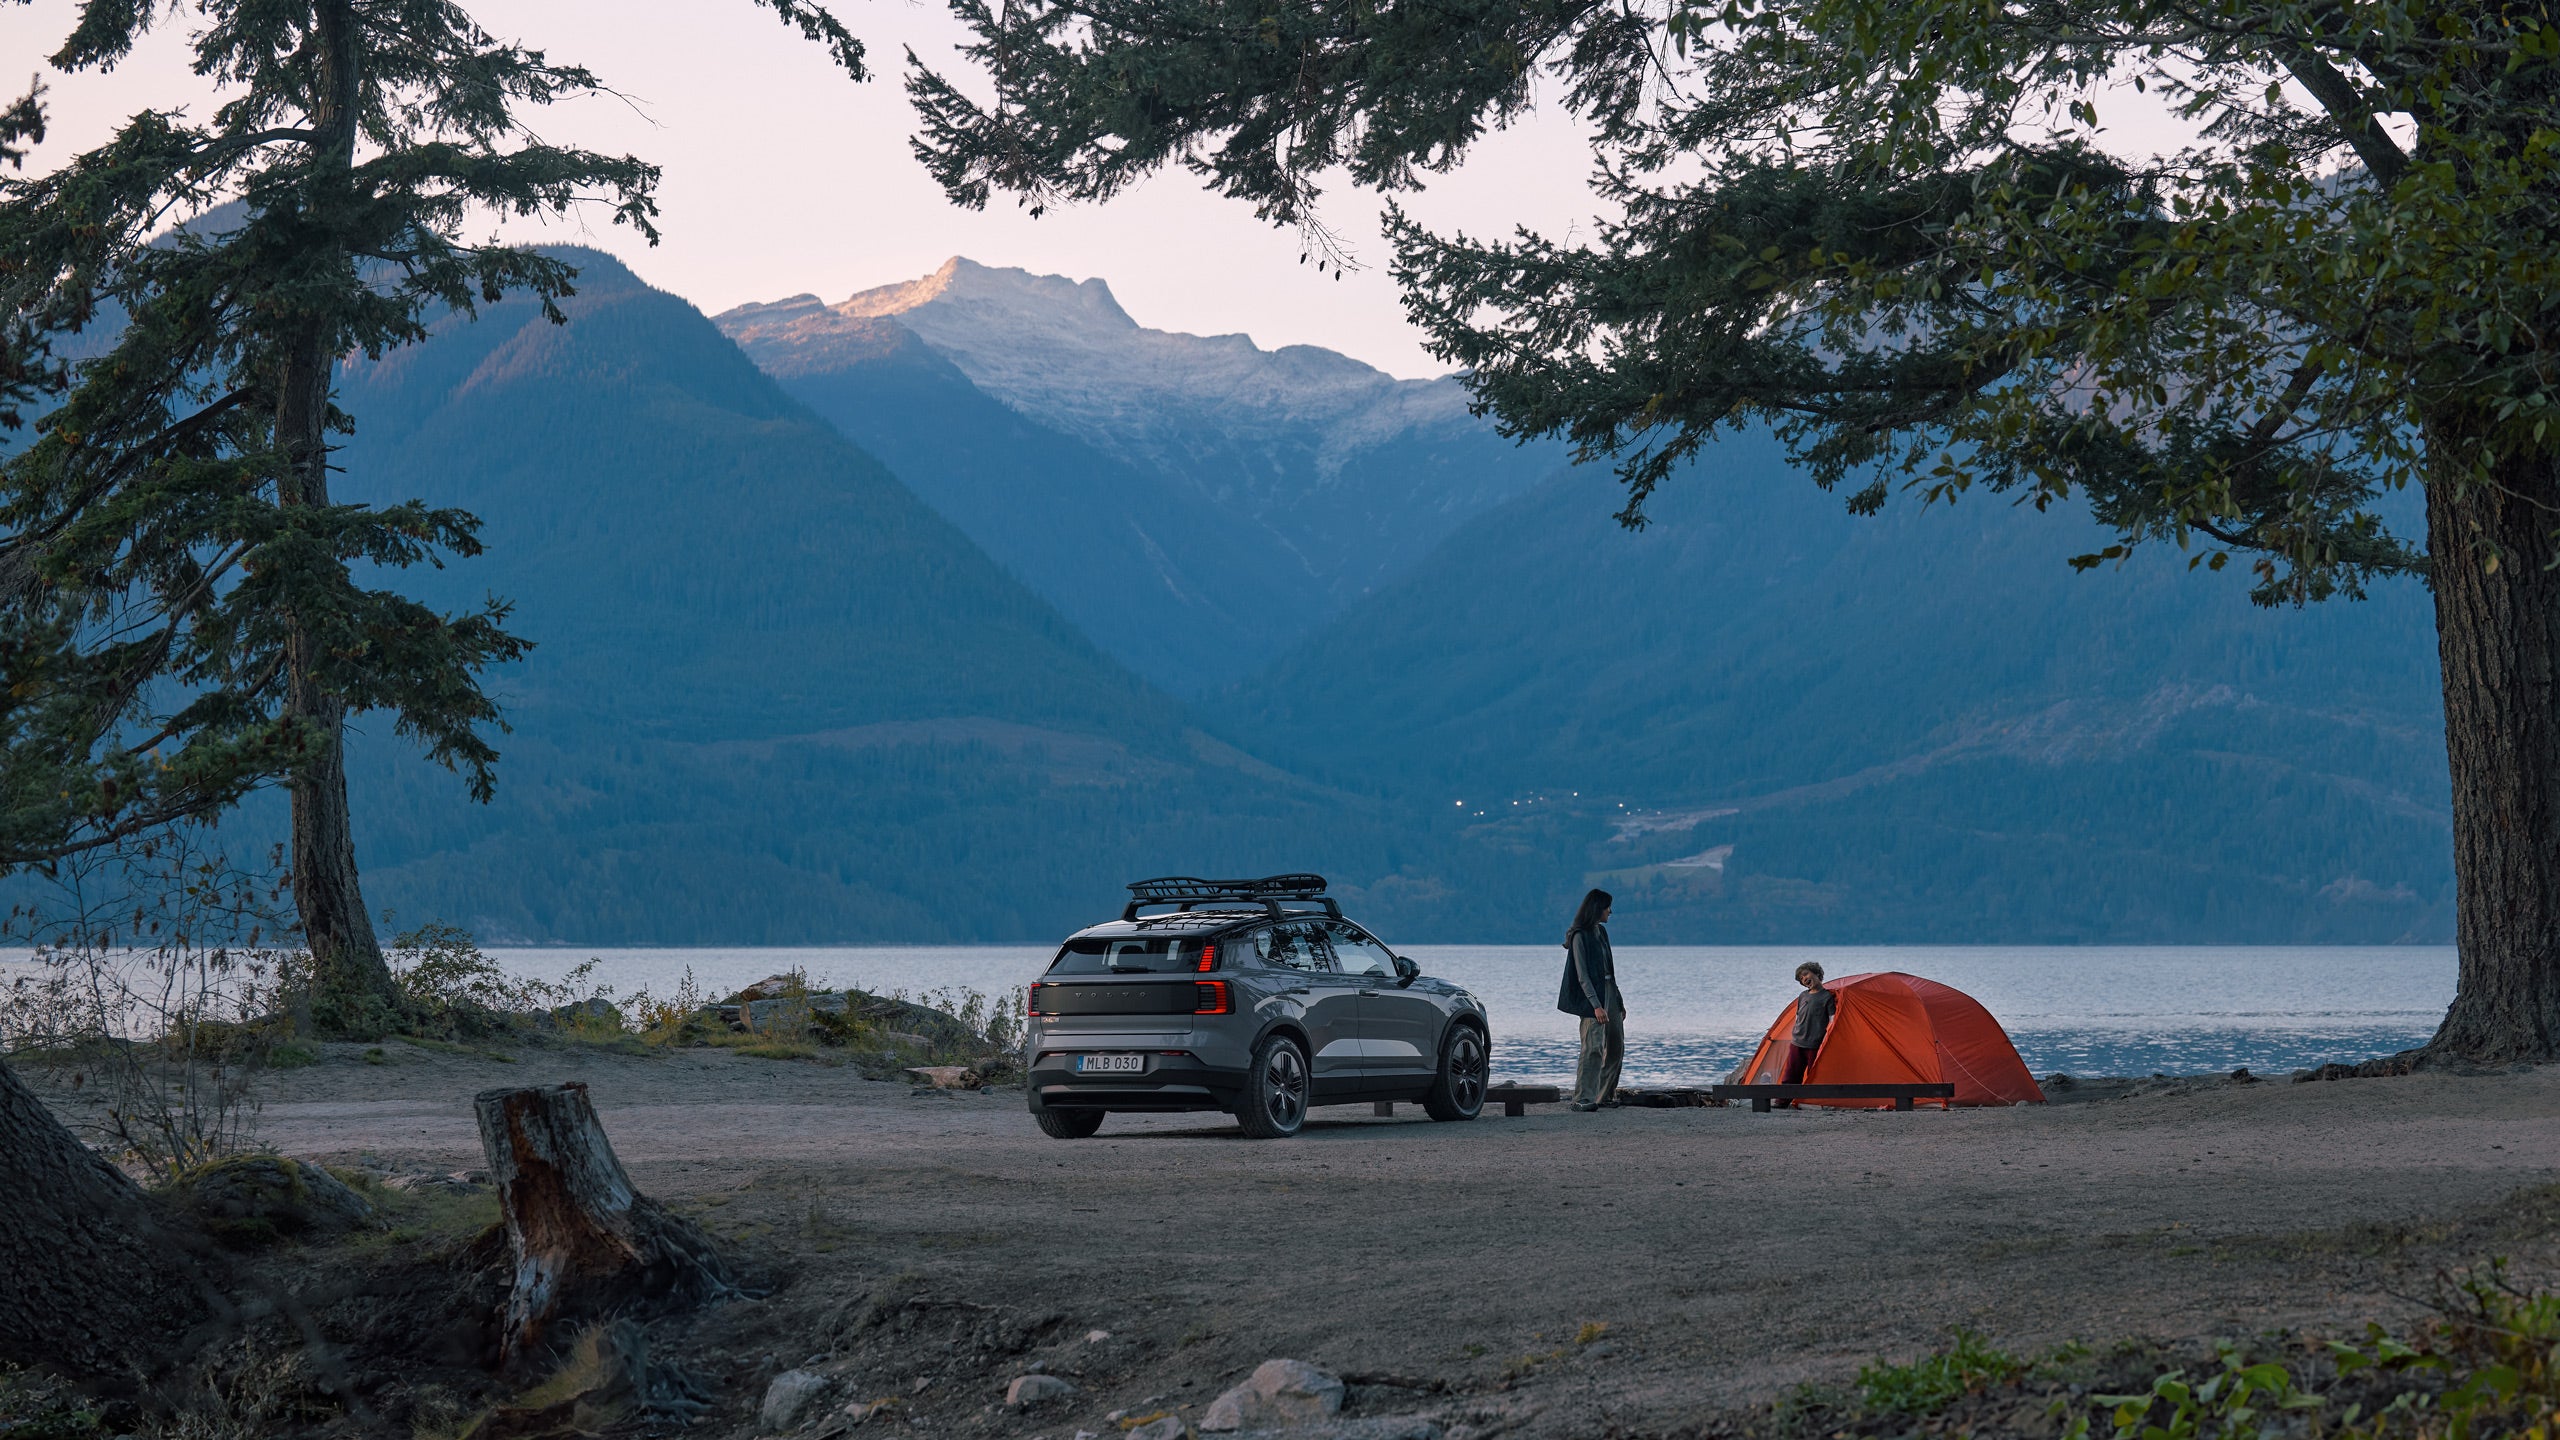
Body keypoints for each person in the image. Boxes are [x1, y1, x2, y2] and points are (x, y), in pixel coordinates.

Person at [1556, 888, 1621, 1111]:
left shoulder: (1601, 933)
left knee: (1615, 1047)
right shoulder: (1579, 936)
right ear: (1597, 909)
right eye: (1607, 907)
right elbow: (1582, 976)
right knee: (1592, 1047)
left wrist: (1618, 1002)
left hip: (1609, 992)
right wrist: (1596, 1005)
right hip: (1593, 998)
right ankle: (1582, 1098)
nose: (1610, 912)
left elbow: (1610, 971)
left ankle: (1604, 1095)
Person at [1780, 961, 1835, 1088]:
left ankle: (1811, 1100)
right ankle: (1783, 1100)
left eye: (1805, 974)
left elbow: (1832, 1020)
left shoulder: (1827, 997)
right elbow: (1798, 1017)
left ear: (1817, 973)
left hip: (1814, 1044)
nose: (1804, 979)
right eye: (1801, 979)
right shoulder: (1803, 996)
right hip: (1797, 1042)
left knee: (1814, 1074)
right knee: (1791, 1073)